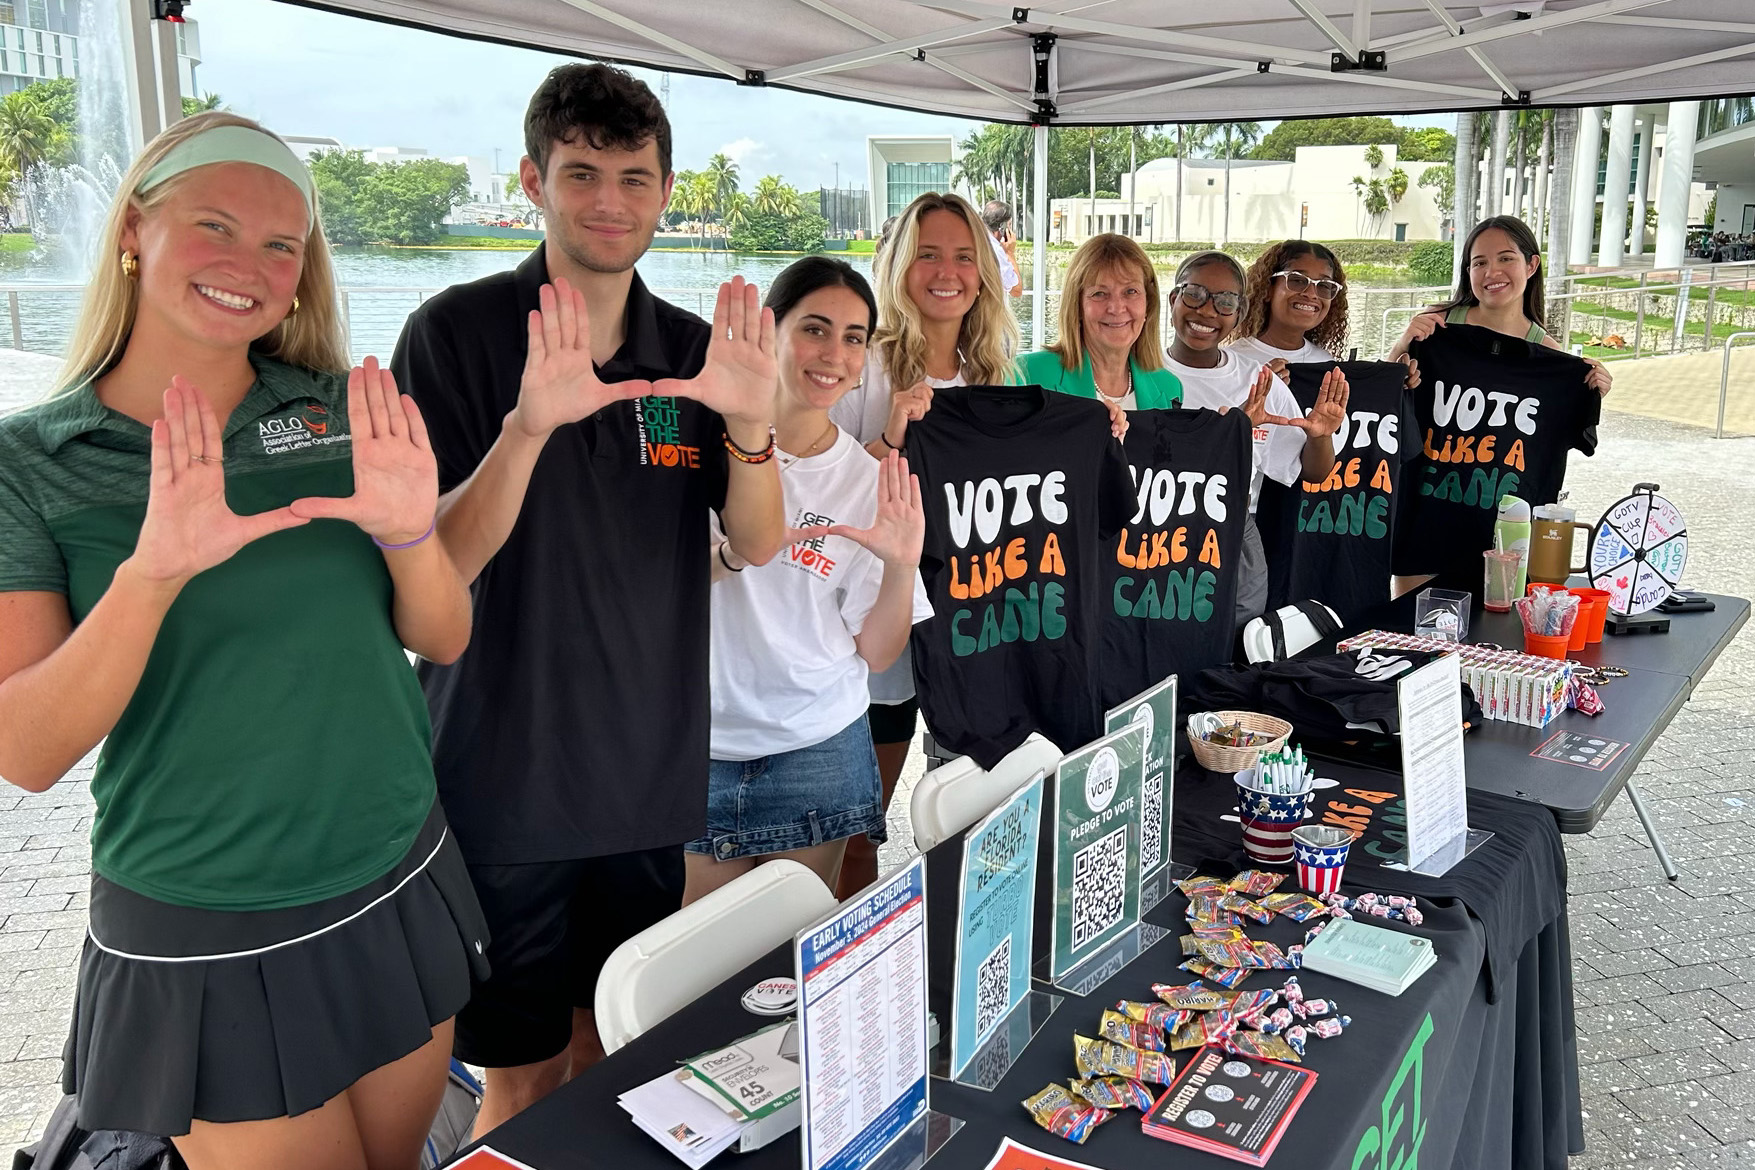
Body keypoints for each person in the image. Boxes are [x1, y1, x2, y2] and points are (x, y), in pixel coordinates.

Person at [0, 112, 487, 1170]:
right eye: (214, 226)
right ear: (133, 231)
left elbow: (443, 635)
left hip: (396, 865)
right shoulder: (33, 461)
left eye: (281, 245)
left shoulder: (338, 412)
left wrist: (410, 534)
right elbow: (26, 752)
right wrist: (152, 574)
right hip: (208, 921)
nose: (249, 267)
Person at [390, 63, 786, 1135]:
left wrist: (752, 425)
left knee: (616, 1057)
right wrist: (528, 428)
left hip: (647, 775)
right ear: (533, 181)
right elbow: (428, 570)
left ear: (666, 192)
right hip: (502, 781)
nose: (609, 201)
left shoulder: (694, 353)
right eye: (581, 174)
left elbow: (757, 542)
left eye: (633, 177)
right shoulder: (456, 333)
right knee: (518, 1082)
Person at [687, 258, 932, 904]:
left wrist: (901, 565)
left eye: (854, 338)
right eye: (814, 329)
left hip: (816, 749)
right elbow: (650, 586)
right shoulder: (694, 443)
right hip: (693, 745)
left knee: (790, 952)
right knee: (694, 955)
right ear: (770, 330)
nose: (834, 355)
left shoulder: (867, 480)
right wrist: (736, 551)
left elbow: (876, 653)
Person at [829, 190, 1017, 900]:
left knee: (974, 811)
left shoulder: (996, 373)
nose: (947, 272)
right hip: (874, 630)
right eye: (928, 254)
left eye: (964, 257)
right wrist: (891, 437)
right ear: (900, 264)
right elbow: (816, 495)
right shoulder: (864, 366)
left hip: (974, 625)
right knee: (858, 827)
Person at [1163, 250, 1348, 627]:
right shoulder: (1137, 372)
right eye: (1194, 294)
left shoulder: (1260, 381)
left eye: (1225, 302)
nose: (1207, 311)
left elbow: (1312, 473)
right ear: (1173, 299)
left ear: (1240, 313)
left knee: (1236, 640)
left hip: (1232, 533)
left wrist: (1320, 436)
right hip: (1151, 533)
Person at [1387, 215, 1612, 397]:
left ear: (1531, 265)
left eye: (1506, 258)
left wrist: (1588, 395)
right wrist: (1402, 347)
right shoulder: (1435, 325)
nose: (1492, 272)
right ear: (1469, 272)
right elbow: (1382, 401)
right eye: (1480, 263)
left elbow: (1556, 425)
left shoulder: (1547, 353)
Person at [1015, 232, 1181, 409]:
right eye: (1099, 294)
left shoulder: (1169, 388)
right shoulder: (1026, 375)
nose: (1116, 308)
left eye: (1131, 291)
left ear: (1148, 303)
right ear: (1077, 306)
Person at [981, 199, 1025, 297]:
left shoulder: (978, 239)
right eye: (1009, 225)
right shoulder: (995, 249)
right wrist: (1009, 253)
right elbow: (1016, 290)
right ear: (1002, 226)